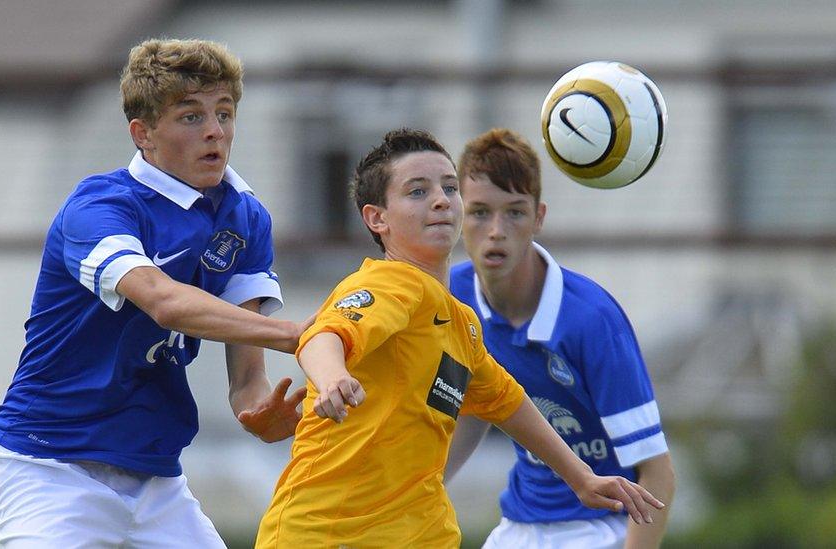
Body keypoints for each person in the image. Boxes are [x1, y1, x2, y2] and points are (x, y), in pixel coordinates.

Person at [255, 128, 664, 548]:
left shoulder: (461, 323)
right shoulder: (389, 285)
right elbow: (324, 335)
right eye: (417, 191)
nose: (440, 199)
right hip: (326, 534)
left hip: (420, 533)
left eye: (450, 188)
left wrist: (582, 479)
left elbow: (507, 401)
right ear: (378, 218)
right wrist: (332, 377)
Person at [0, 38, 308, 548]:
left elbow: (247, 381)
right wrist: (297, 336)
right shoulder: (99, 206)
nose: (215, 131)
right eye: (190, 116)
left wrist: (261, 413)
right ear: (143, 134)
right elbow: (165, 302)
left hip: (156, 480)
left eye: (224, 113)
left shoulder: (245, 218)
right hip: (47, 466)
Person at [445, 128, 676, 549]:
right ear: (460, 214)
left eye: (514, 212)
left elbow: (658, 472)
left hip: (604, 528)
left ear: (539, 217)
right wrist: (417, 488)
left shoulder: (591, 320)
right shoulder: (452, 297)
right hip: (519, 526)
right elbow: (476, 406)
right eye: (480, 212)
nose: (496, 230)